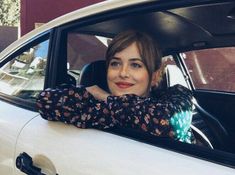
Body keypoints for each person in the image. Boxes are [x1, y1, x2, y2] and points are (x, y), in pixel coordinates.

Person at [36, 30, 195, 144]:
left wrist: (105, 97)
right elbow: (45, 101)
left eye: (135, 65)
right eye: (115, 63)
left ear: (154, 76)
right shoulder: (97, 107)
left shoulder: (177, 97)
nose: (123, 73)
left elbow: (166, 122)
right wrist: (89, 91)